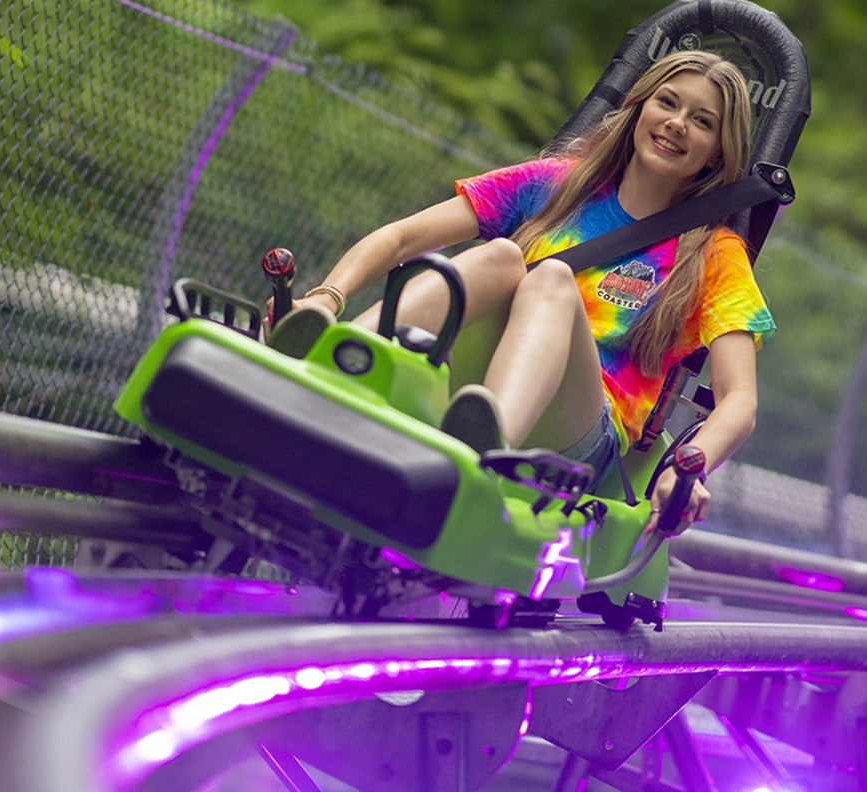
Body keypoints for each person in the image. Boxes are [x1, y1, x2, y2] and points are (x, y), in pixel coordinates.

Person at [269, 49, 774, 537]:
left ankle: (486, 447)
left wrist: (690, 471)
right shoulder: (557, 185)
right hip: (470, 381)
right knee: (503, 257)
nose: (677, 124)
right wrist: (326, 296)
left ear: (717, 152)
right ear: (640, 107)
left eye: (703, 121)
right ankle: (334, 359)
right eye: (668, 102)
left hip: (581, 435)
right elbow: (400, 238)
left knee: (550, 277)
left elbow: (739, 402)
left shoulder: (712, 253)